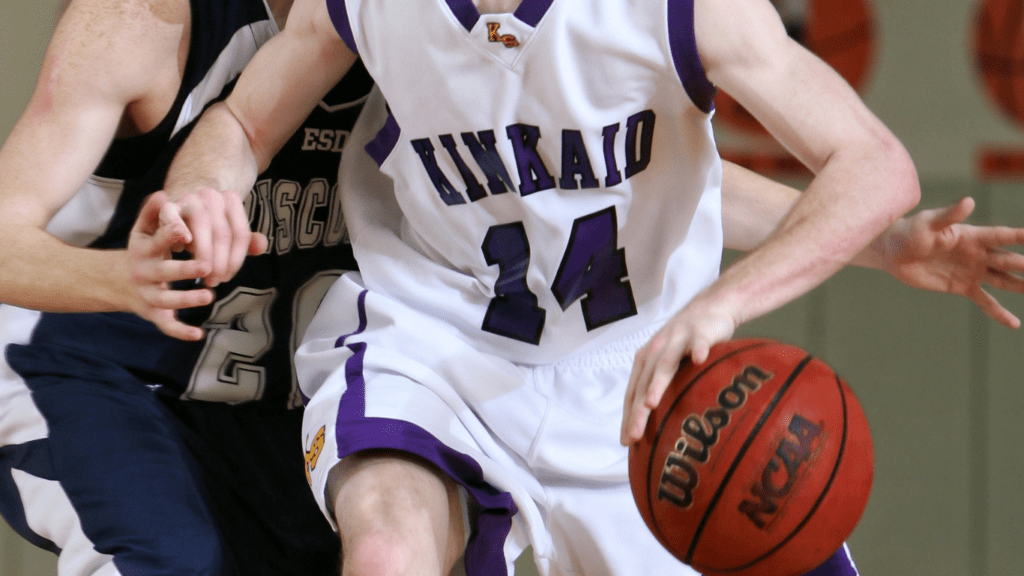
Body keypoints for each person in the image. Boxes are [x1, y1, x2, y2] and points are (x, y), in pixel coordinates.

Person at [136, 0, 1024, 575]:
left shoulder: (680, 9)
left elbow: (872, 163)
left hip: (637, 378)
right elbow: (244, 121)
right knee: (387, 552)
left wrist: (729, 301)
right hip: (437, 341)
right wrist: (203, 193)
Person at [0, 0, 374, 574]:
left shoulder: (423, 25)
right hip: (95, 369)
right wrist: (119, 278)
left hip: (295, 402)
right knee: (167, 561)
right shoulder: (141, 17)